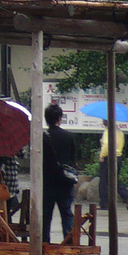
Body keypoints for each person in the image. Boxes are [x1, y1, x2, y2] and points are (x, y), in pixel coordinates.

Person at [42, 103, 79, 242]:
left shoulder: (43, 137)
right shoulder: (69, 136)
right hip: (65, 181)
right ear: (59, 118)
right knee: (67, 214)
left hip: (47, 182)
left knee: (46, 215)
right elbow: (73, 159)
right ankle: (69, 242)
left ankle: (44, 242)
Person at [99, 123, 128, 210]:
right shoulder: (119, 132)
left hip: (108, 157)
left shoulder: (108, 131)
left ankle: (105, 204)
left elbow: (107, 145)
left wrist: (102, 155)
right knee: (115, 180)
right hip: (118, 157)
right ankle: (127, 196)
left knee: (104, 181)